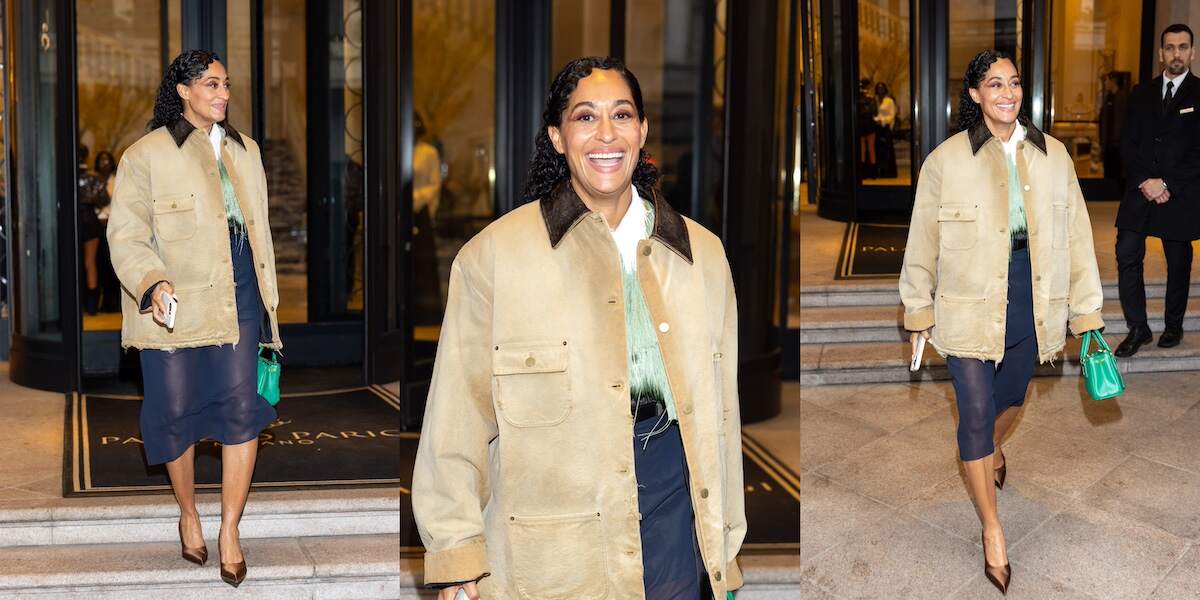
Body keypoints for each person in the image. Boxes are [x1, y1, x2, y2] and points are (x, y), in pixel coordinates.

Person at [412, 56, 746, 600]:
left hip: (676, 509)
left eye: (622, 115)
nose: (606, 134)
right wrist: (456, 553)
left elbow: (723, 419)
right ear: (557, 137)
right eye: (585, 117)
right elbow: (456, 419)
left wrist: (724, 548)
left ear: (642, 131)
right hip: (554, 536)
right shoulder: (493, 257)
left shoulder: (702, 256)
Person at [899, 49, 1104, 595]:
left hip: (1031, 294)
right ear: (975, 95)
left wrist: (1086, 313)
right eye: (994, 84)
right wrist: (918, 309)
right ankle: (992, 528)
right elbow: (922, 240)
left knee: (1011, 397)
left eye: (1013, 83)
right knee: (974, 412)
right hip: (967, 299)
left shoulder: (1053, 155)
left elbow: (1078, 236)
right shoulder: (945, 161)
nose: (1007, 93)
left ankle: (989, 450)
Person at [107, 49, 282, 588]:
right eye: (210, 84)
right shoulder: (145, 156)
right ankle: (188, 513)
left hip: (240, 294)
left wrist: (269, 304)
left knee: (241, 409)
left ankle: (230, 529)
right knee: (174, 409)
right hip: (174, 301)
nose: (223, 93)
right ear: (183, 91)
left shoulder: (247, 151)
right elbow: (127, 235)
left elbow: (259, 233)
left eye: (226, 84)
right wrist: (152, 282)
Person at [1114, 24, 1200, 356]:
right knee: (1127, 252)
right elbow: (1127, 143)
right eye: (1170, 47)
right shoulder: (1140, 93)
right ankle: (1138, 328)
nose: (1176, 53)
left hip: (1181, 192)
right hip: (1140, 189)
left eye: (1183, 47)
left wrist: (1166, 184)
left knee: (1178, 260)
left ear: (1192, 52)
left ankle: (1173, 325)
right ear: (1161, 53)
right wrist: (1145, 181)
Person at [77, 145, 109, 315]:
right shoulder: (94, 178)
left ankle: (78, 304)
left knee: (73, 262)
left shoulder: (64, 175)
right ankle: (92, 307)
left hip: (72, 221)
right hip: (90, 221)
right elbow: (104, 200)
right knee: (90, 263)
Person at [94, 150, 122, 313]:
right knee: (98, 265)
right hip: (94, 227)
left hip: (113, 225)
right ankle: (100, 302)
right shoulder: (93, 180)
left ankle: (113, 303)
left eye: (107, 161)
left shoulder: (117, 180)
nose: (104, 164)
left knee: (111, 264)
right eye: (101, 160)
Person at [1099, 72, 1129, 190]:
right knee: (1108, 172)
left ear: (1113, 81)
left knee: (1117, 172)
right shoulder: (1108, 98)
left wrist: (1117, 140)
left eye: (1107, 80)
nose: (1105, 83)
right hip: (1109, 143)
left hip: (1117, 144)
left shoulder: (1122, 98)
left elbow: (1121, 122)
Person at [873, 82, 898, 178]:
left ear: (885, 89)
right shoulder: (874, 100)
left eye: (882, 88)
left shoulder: (889, 101)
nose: (880, 90)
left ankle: (889, 172)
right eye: (878, 88)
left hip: (886, 128)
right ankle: (879, 172)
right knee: (878, 150)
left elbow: (892, 115)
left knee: (887, 150)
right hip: (876, 128)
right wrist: (876, 120)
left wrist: (882, 121)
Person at [857, 77, 878, 178]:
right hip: (868, 123)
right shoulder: (869, 97)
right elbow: (874, 111)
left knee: (864, 148)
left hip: (863, 122)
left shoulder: (860, 97)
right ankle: (871, 172)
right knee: (870, 148)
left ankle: (865, 172)